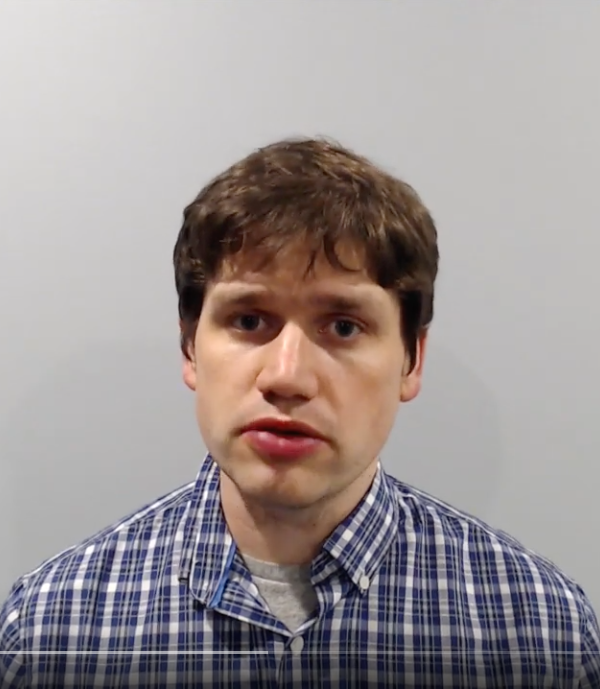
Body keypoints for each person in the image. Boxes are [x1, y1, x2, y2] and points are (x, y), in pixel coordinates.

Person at [0, 138, 598, 689]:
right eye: (249, 320)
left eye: (343, 326)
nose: (286, 376)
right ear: (189, 348)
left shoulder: (546, 634)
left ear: (411, 361)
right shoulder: (48, 630)